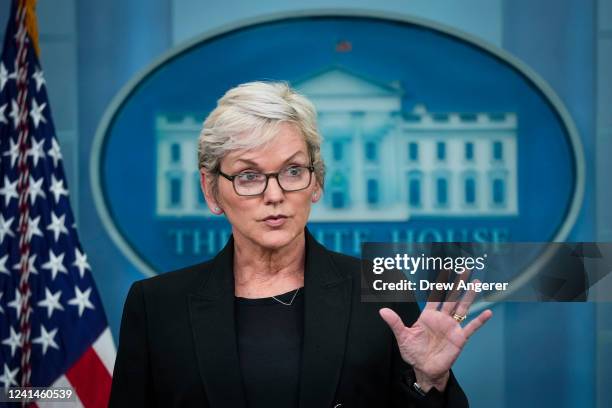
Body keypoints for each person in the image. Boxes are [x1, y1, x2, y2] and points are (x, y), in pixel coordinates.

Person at [109, 81, 493, 407]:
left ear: (317, 182)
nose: (274, 194)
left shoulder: (379, 291)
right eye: (248, 175)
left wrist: (429, 382)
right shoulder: (156, 306)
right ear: (212, 191)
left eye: (293, 171)